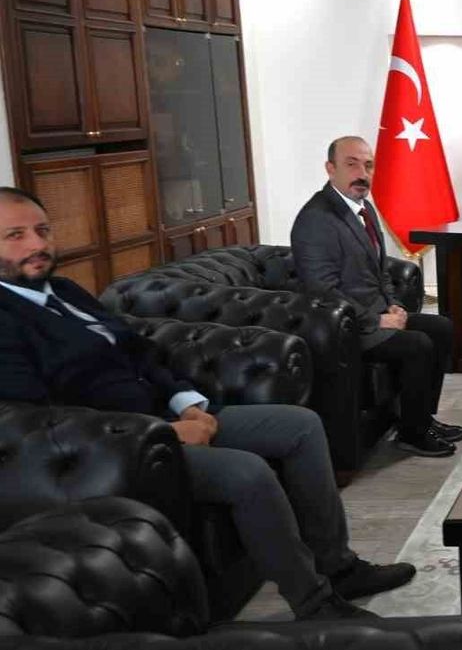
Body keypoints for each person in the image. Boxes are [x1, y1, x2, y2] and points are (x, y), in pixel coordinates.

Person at [0, 187, 411, 620]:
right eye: (15, 235)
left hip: (167, 415)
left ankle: (338, 566)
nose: (37, 244)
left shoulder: (65, 290)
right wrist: (164, 433)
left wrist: (187, 403)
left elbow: (141, 353)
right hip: (118, 451)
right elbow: (42, 420)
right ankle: (314, 603)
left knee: (302, 425)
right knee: (246, 472)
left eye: (42, 230)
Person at [291, 136, 462, 458]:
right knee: (417, 345)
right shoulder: (316, 219)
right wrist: (377, 319)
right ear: (330, 169)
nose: (362, 173)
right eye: (352, 164)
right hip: (344, 327)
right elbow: (322, 291)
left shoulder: (364, 208)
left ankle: (421, 419)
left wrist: (393, 304)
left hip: (377, 312)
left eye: (368, 165)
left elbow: (380, 269)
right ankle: (412, 435)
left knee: (441, 327)